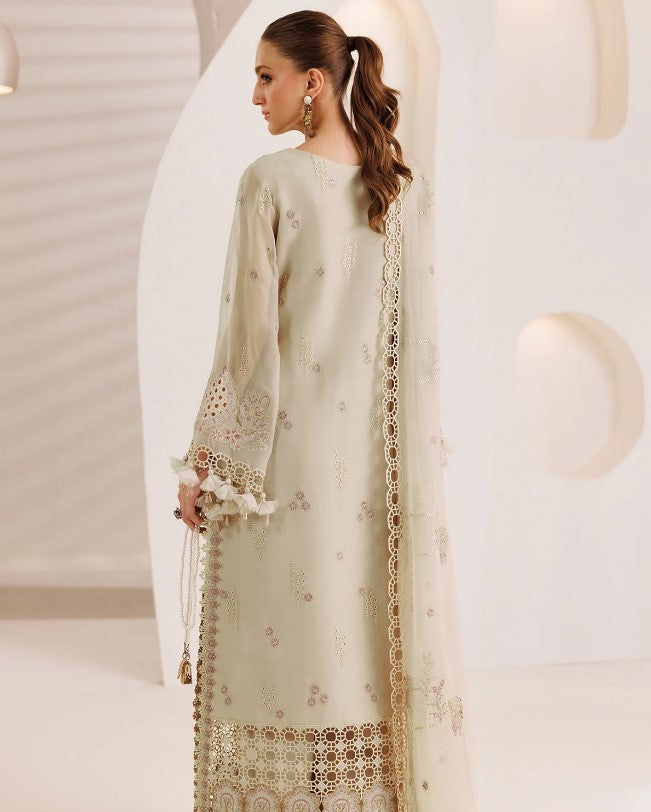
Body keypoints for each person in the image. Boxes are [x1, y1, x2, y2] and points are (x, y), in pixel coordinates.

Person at [170, 10, 477, 812]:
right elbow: (415, 348)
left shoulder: (270, 181)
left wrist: (209, 464)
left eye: (265, 76)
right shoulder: (401, 186)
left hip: (280, 469)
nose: (255, 95)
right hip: (376, 479)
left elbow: (247, 345)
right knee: (356, 651)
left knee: (282, 652)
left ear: (312, 82)